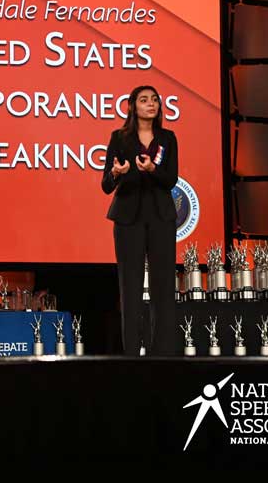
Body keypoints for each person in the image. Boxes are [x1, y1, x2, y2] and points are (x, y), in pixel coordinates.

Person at [101, 85, 178, 356]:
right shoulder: (120, 138)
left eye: (155, 100)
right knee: (130, 287)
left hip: (161, 217)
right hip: (128, 218)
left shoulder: (168, 138)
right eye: (144, 100)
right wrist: (118, 173)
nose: (151, 104)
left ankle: (161, 354)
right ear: (132, 106)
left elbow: (171, 179)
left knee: (163, 288)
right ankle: (132, 355)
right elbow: (106, 185)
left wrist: (153, 169)